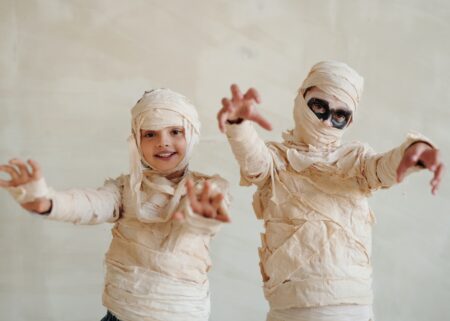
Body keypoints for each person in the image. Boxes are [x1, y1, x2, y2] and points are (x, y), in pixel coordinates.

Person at [217, 61, 444, 321]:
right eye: (318, 107)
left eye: (339, 116)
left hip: (352, 307)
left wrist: (416, 151)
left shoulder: (356, 160)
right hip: (289, 310)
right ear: (301, 100)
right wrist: (239, 125)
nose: (326, 122)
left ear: (349, 120)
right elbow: (254, 161)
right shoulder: (277, 160)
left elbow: (383, 168)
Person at [0, 88, 230, 321]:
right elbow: (91, 204)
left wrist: (202, 216)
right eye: (150, 134)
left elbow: (209, 214)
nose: (163, 142)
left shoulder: (209, 187)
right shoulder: (125, 189)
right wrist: (47, 202)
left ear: (192, 134)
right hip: (120, 314)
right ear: (136, 140)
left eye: (175, 131)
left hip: (181, 313)